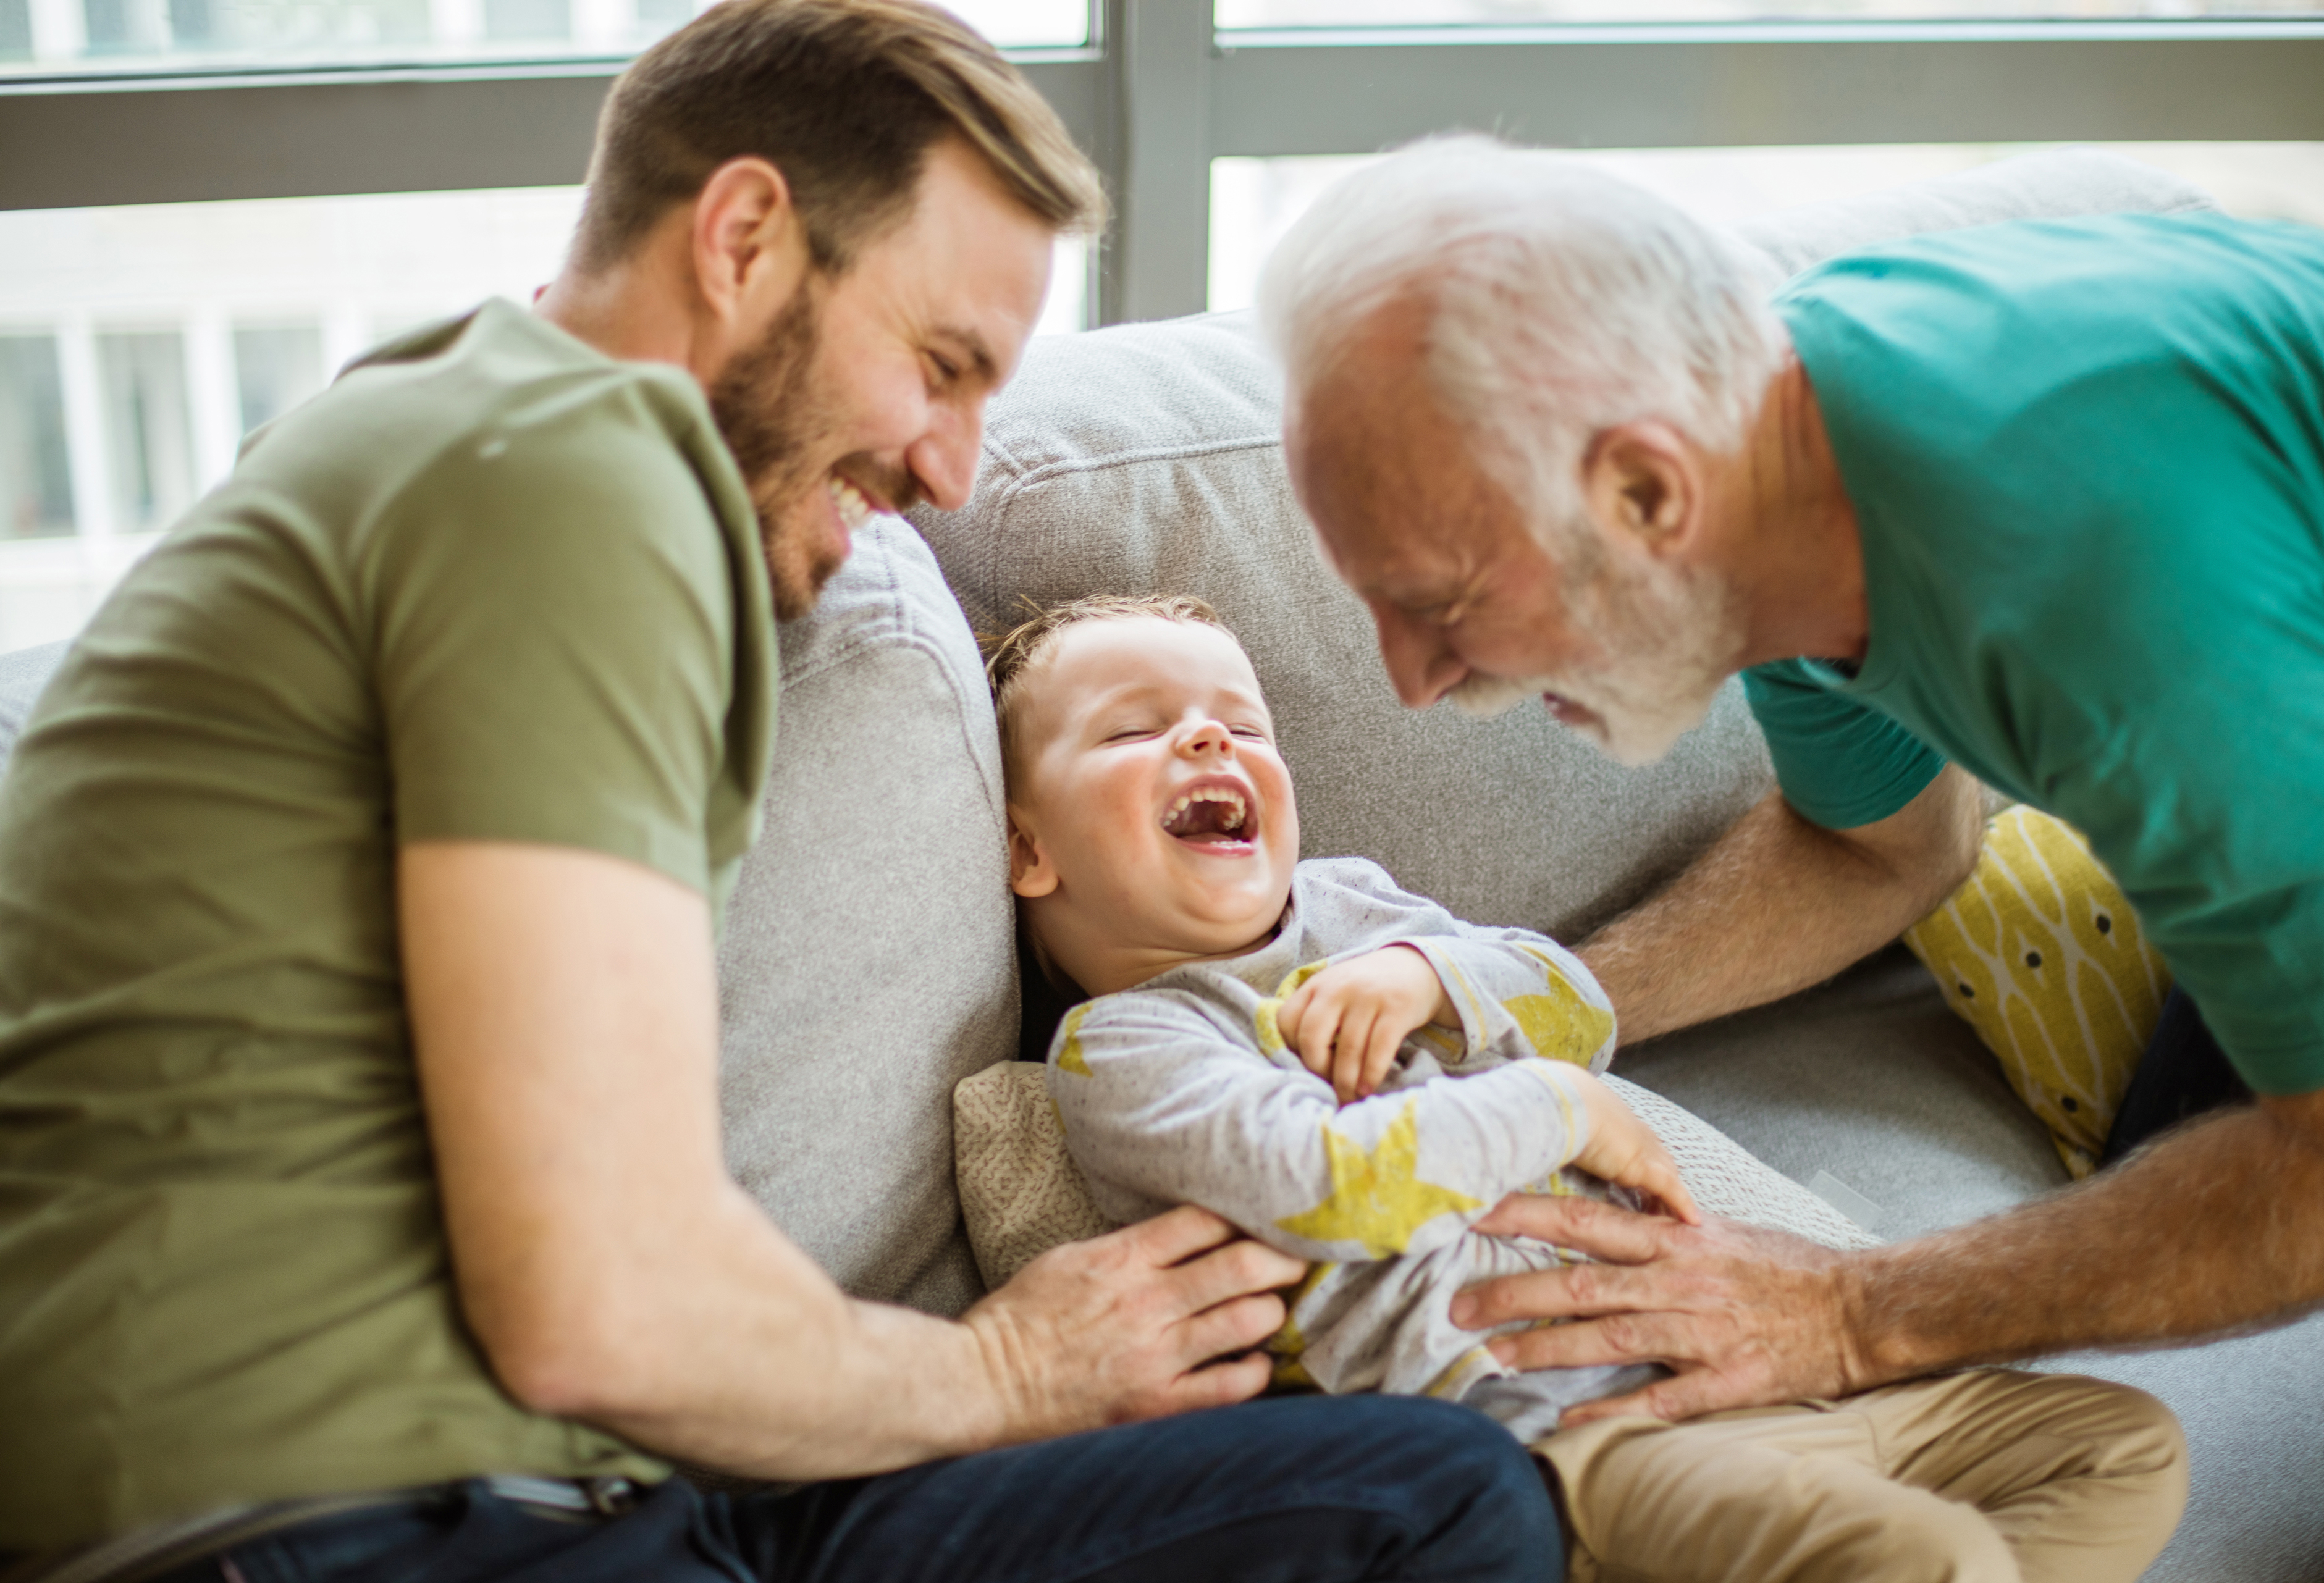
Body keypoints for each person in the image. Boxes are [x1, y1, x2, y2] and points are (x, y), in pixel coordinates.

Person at [0, 18, 1564, 1581]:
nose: (953, 471)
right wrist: (1003, 1376)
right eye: (938, 369)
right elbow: (593, 1303)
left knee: (1420, 1491)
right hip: (331, 1525)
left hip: (555, 1493)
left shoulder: (447, 436)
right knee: (1428, 1507)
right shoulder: (568, 482)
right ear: (743, 238)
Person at [1260, 133, 2324, 1571]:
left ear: (1647, 496)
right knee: (2162, 1153)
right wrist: (1501, 1011)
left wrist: (1848, 1311)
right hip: (2300, 710)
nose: (1412, 680)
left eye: (1439, 602)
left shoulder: (2081, 582)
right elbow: (1871, 855)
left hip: (2218, 660)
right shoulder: (1786, 473)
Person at [989, 590, 2187, 1583]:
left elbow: (1577, 1011)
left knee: (2122, 1442)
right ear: (1029, 850)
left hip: (1735, 1358)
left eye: (1240, 724)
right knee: (1925, 1557)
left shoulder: (1355, 909)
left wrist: (1431, 972)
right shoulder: (1129, 1044)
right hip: (1567, 1439)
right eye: (1131, 729)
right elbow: (1319, 1187)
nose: (1207, 742)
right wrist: (1551, 1110)